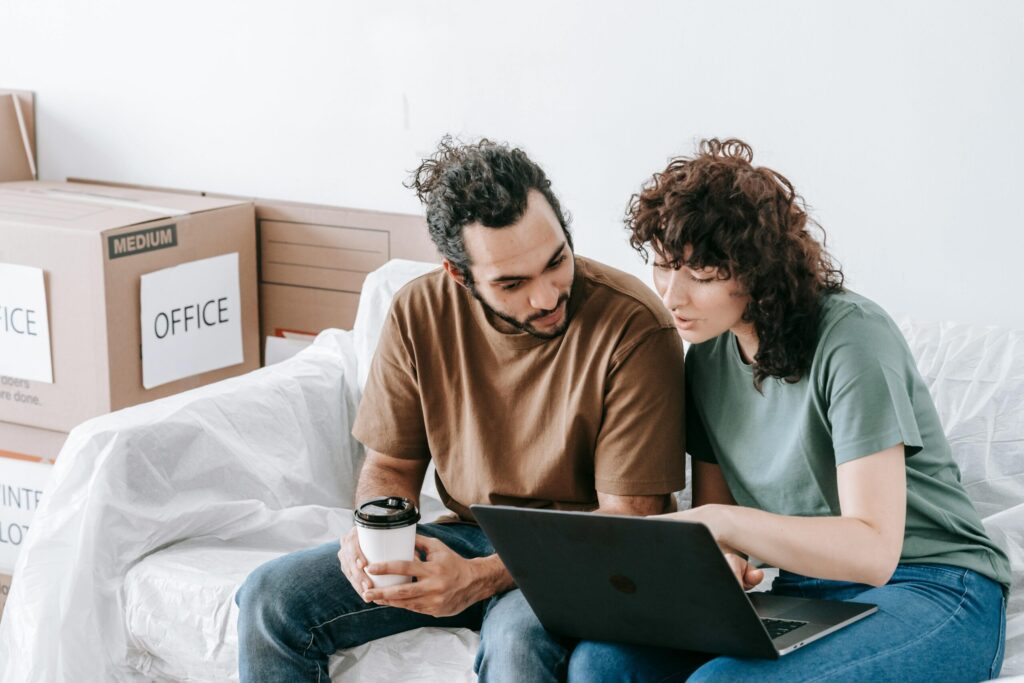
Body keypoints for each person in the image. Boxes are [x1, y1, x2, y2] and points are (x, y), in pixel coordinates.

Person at [234, 137, 689, 682]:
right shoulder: (418, 311)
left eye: (557, 261)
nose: (546, 296)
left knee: (518, 645)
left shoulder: (633, 326)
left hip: (580, 557)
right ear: (459, 275)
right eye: (512, 283)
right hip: (469, 531)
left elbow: (630, 518)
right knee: (269, 599)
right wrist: (375, 538)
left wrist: (482, 578)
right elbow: (391, 467)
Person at [569, 138, 1011, 682]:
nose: (672, 296)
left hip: (932, 587)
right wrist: (719, 566)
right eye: (663, 267)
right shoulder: (707, 358)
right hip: (806, 593)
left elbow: (873, 551)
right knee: (601, 663)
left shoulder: (852, 340)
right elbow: (724, 539)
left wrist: (719, 523)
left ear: (759, 270)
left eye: (702, 276)